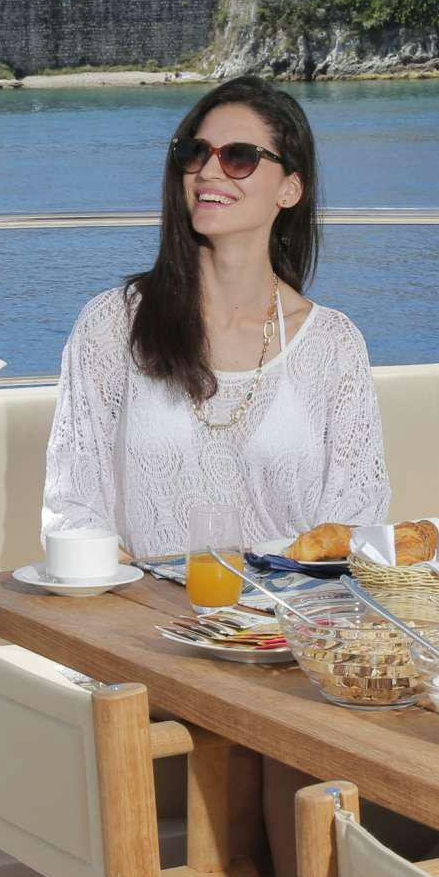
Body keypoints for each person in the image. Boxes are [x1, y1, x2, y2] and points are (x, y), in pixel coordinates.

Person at [41, 75, 391, 560]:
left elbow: (354, 522)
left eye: (239, 157)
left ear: (289, 189)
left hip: (289, 622)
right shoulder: (112, 326)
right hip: (147, 619)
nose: (209, 171)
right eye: (195, 153)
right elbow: (73, 508)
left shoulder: (334, 345)